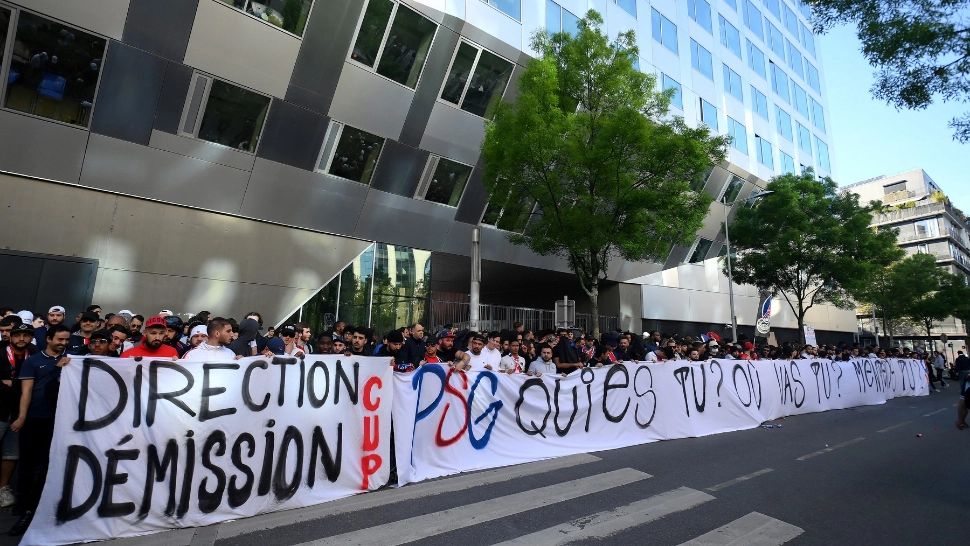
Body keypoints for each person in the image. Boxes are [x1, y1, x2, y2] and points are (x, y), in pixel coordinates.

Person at [8, 324, 72, 536]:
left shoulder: (72, 360)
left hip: (58, 421)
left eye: (66, 340)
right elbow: (26, 393)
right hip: (35, 419)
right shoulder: (32, 362)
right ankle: (22, 505)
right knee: (27, 464)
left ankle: (39, 505)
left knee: (47, 465)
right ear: (49, 339)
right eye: (59, 339)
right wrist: (22, 417)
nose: (63, 343)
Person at [0, 323, 35, 509]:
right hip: (0, 410)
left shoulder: (35, 355)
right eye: (18, 335)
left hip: (20, 413)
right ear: (11, 336)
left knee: (10, 453)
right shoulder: (0, 352)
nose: (22, 339)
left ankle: (3, 488)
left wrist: (10, 383)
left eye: (26, 335)